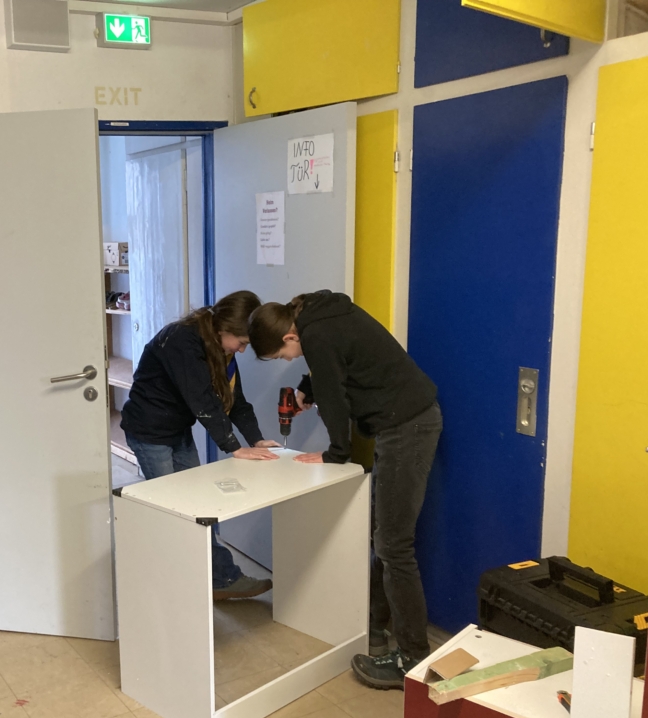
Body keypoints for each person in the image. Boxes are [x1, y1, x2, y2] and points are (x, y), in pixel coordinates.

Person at [248, 290, 442, 689]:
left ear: (289, 336)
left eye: (283, 355)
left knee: (393, 544)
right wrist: (308, 388)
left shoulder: (316, 334)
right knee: (384, 536)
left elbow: (335, 395)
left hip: (407, 427)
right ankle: (373, 625)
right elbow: (337, 363)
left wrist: (336, 453)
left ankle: (412, 657)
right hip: (404, 420)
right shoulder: (317, 316)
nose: (289, 360)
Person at [121, 290, 281, 601]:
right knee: (175, 511)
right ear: (224, 328)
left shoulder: (220, 349)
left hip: (177, 429)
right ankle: (178, 586)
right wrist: (234, 447)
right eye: (241, 342)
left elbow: (235, 401)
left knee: (197, 508)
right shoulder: (183, 340)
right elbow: (203, 401)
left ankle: (217, 579)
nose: (242, 350)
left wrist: (256, 440)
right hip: (150, 432)